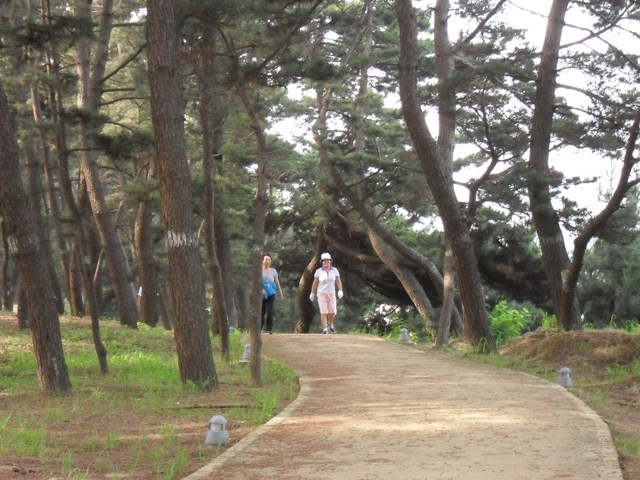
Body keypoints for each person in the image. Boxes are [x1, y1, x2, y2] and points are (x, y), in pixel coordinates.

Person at [309, 252, 344, 334]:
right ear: (322, 262)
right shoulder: (318, 271)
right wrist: (312, 293)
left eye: (327, 261)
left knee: (332, 312)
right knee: (324, 311)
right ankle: (325, 328)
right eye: (324, 261)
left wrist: (340, 290)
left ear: (330, 261)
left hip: (331, 293)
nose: (326, 262)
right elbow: (315, 282)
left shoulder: (334, 270)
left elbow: (338, 280)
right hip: (321, 293)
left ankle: (330, 323)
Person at [261, 253, 284, 334]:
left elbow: (277, 282)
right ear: (262, 261)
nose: (268, 261)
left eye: (269, 260)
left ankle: (269, 329)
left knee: (270, 311)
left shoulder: (273, 271)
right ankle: (259, 329)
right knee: (261, 312)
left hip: (271, 293)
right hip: (262, 294)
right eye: (266, 259)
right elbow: (256, 283)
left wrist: (280, 293)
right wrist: (261, 290)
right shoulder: (259, 271)